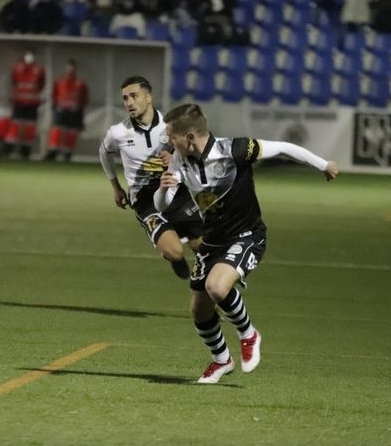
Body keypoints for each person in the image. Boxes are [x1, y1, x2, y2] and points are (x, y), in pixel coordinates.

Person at [154, 103, 338, 384]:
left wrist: (323, 165)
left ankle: (248, 332)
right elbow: (163, 205)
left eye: (171, 135)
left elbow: (285, 148)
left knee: (216, 286)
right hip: (212, 240)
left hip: (246, 235)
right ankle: (221, 361)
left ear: (190, 136)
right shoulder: (180, 160)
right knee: (199, 309)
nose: (169, 141)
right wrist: (164, 188)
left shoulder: (236, 150)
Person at [99, 76, 205, 280]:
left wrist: (176, 156)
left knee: (206, 250)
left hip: (176, 193)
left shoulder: (171, 126)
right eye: (125, 98)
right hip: (145, 201)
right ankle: (176, 259)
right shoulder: (118, 133)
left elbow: (195, 153)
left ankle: (209, 294)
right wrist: (116, 186)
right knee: (174, 251)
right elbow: (104, 152)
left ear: (149, 98)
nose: (129, 102)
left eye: (134, 96)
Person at [1, 49, 45, 159]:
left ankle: (25, 151)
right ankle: (8, 149)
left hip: (32, 104)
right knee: (15, 126)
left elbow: (41, 84)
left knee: (29, 128)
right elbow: (13, 81)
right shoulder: (17, 68)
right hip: (19, 103)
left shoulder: (39, 70)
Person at [44, 59, 88, 162]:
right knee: (57, 130)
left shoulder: (80, 84)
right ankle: (53, 151)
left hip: (73, 112)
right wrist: (55, 107)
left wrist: (80, 111)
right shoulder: (60, 82)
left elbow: (83, 98)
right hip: (61, 110)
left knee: (71, 132)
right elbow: (54, 95)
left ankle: (67, 153)